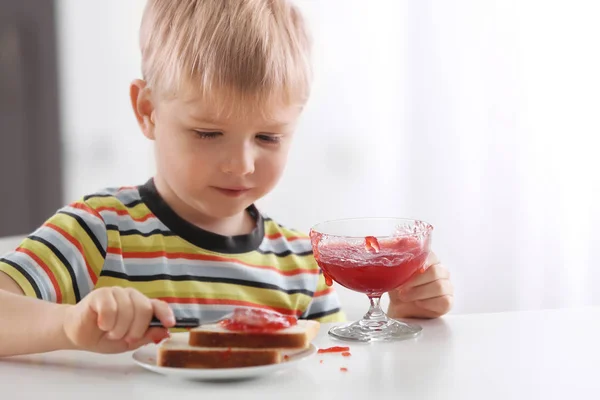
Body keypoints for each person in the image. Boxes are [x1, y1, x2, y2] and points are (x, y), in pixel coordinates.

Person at [0, 0, 453, 357]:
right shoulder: (98, 230)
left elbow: (329, 371)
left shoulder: (300, 265)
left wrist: (403, 318)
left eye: (269, 137)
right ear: (148, 111)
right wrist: (69, 326)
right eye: (208, 132)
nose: (241, 164)